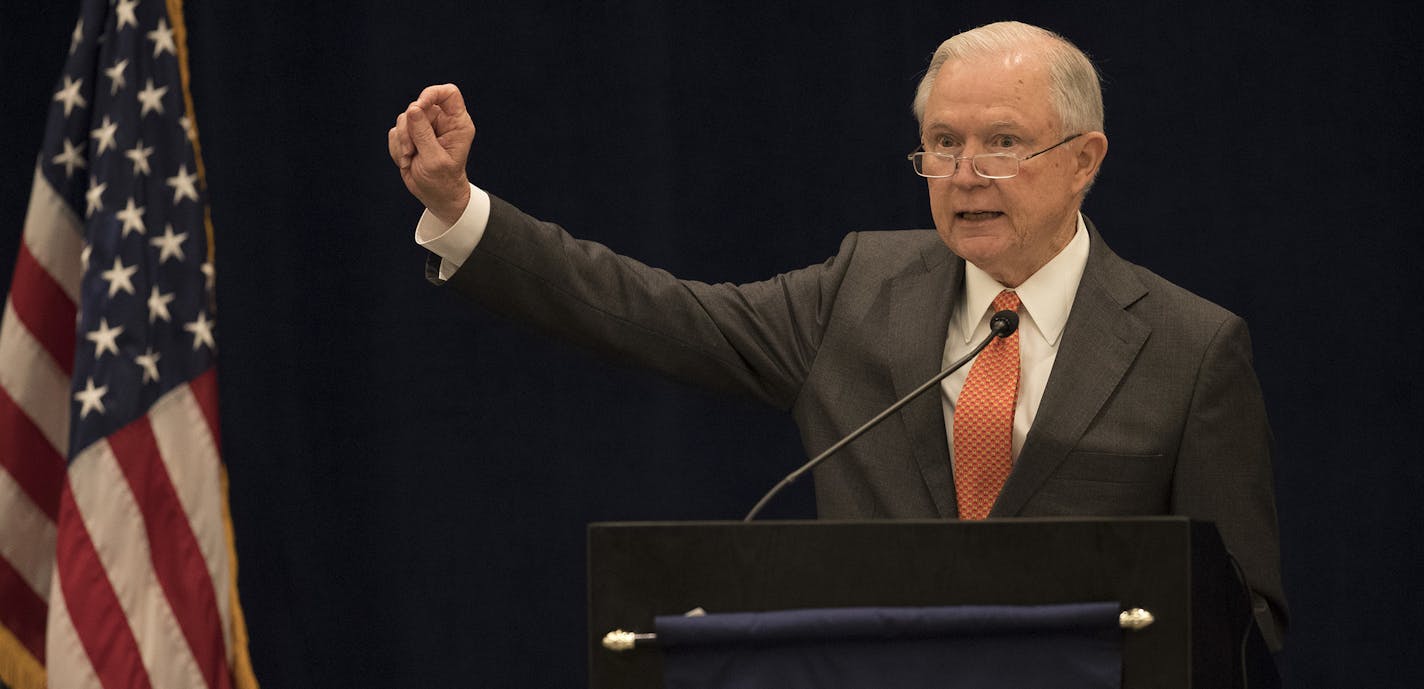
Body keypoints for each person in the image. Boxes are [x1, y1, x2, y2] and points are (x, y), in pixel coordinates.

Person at [387, 20, 1286, 650]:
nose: (965, 174)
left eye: (1003, 143)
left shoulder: (1187, 347)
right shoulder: (858, 292)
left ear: (1083, 160)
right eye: (942, 143)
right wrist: (463, 212)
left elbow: (1246, 615)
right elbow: (650, 311)